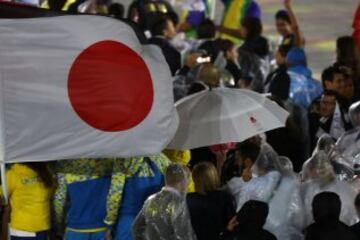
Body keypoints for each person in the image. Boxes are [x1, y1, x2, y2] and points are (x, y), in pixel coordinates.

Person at [230, 146, 304, 240]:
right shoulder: (291, 183)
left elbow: (240, 217)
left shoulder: (250, 186)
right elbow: (300, 220)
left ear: (257, 165)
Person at [132, 163, 197, 240]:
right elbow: (184, 234)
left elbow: (136, 228)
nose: (188, 183)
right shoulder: (181, 201)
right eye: (188, 179)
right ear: (183, 180)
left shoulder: (150, 200)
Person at [301, 151, 358, 227]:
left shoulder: (307, 188)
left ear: (314, 169)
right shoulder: (345, 187)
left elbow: (301, 218)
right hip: (344, 232)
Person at [1, 162, 54, 240]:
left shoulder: (13, 174)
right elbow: (51, 194)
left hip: (22, 229)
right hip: (42, 226)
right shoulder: (46, 172)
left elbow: (1, 195)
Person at [187, 162, 236, 240]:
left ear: (195, 179)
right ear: (214, 176)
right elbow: (232, 223)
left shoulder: (189, 199)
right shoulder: (225, 196)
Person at [237, 16, 270, 92]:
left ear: (248, 30)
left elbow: (244, 71)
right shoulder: (265, 44)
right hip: (264, 87)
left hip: (249, 89)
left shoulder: (244, 49)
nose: (240, 30)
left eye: (242, 27)